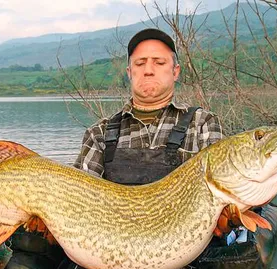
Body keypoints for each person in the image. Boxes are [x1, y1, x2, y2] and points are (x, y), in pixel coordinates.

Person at [67, 28, 224, 268]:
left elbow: (222, 190)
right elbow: (77, 200)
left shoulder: (202, 123)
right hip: (108, 252)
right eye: (140, 64)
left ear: (175, 71)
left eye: (159, 62)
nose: (148, 70)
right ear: (129, 73)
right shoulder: (99, 132)